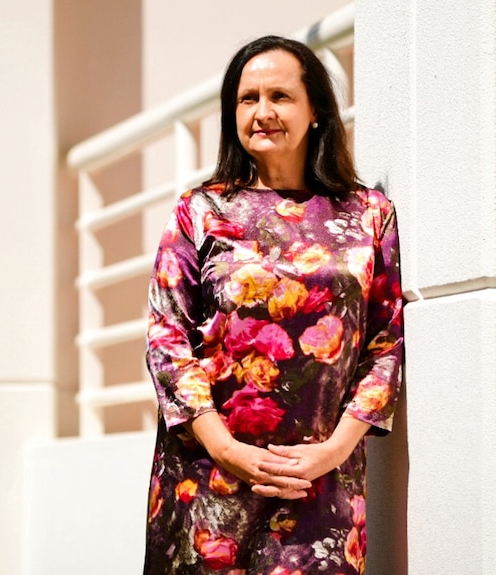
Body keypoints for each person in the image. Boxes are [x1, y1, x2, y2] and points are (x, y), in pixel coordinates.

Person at [143, 35, 404, 574]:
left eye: (280, 97)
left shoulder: (369, 214)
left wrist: (331, 453)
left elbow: (385, 344)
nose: (263, 112)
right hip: (209, 476)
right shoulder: (201, 211)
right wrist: (228, 450)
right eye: (247, 99)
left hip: (321, 479)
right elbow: (167, 340)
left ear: (315, 112)